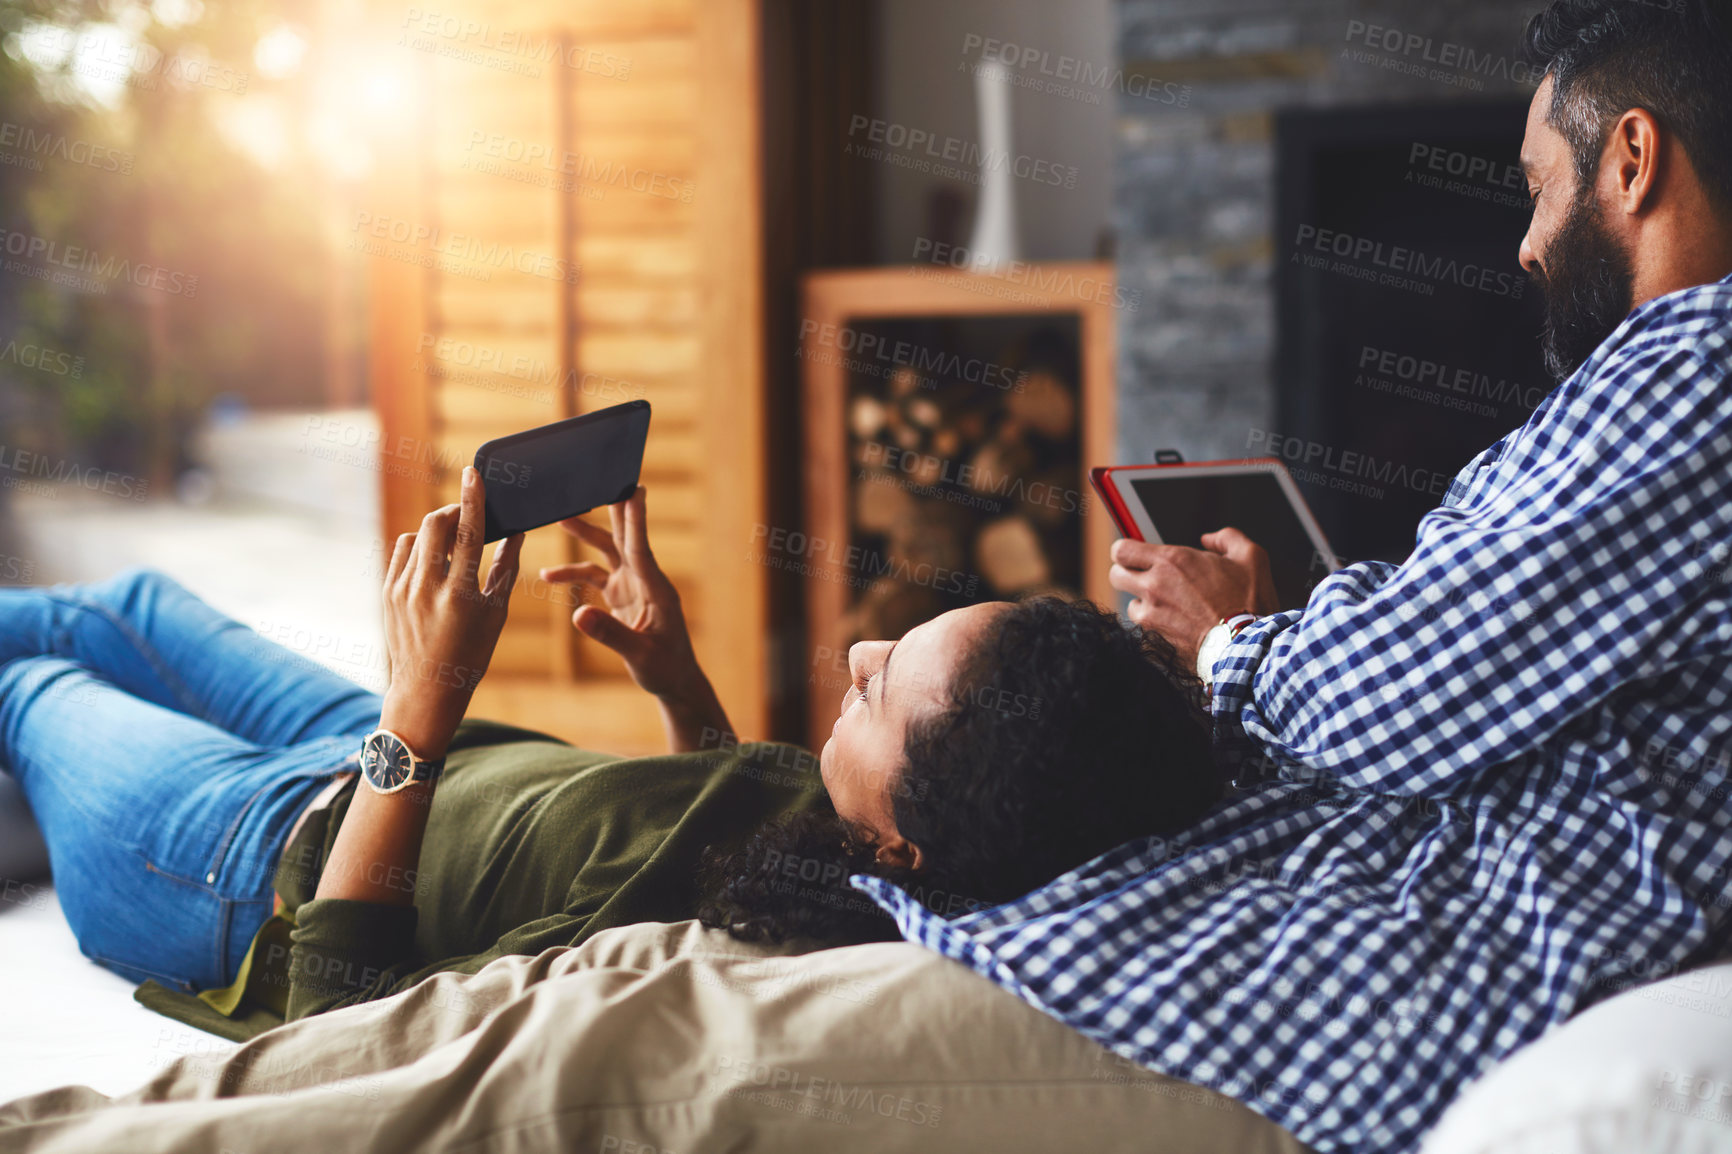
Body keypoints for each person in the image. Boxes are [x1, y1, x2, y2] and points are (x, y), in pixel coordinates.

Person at [856, 2, 1731, 1153]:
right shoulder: (1663, 385)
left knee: (1014, 865)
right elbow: (1464, 648)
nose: (1525, 244)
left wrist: (1233, 643)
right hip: (1444, 792)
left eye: (1535, 185)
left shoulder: (1696, 372)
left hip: (1498, 903)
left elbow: (1392, 706)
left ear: (1629, 158)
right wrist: (1283, 630)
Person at [0, 475, 1220, 1038]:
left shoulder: (698, 962)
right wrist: (676, 679)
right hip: (390, 753)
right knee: (126, 605)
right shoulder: (847, 854)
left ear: (909, 839)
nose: (855, 646)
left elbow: (341, 1019)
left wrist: (421, 704)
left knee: (35, 677)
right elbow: (723, 818)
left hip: (245, 863)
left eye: (881, 683)